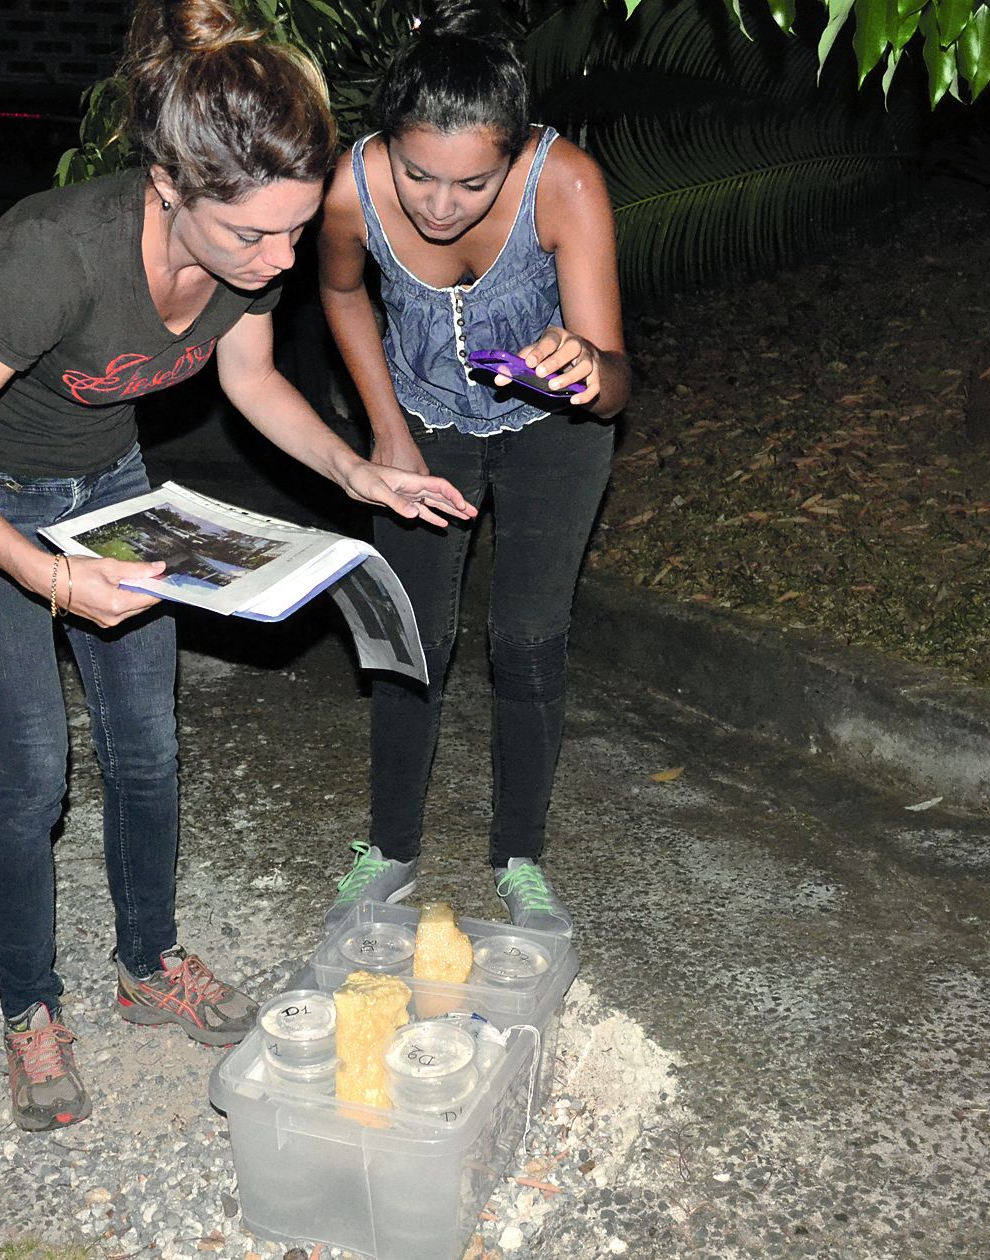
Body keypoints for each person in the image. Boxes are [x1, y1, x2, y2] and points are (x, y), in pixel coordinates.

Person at [0, 0, 474, 1133]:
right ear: (167, 188)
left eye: (295, 232)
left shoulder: (255, 245)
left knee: (147, 748)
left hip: (116, 495)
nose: (281, 259)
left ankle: (148, 961)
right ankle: (28, 1008)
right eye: (255, 235)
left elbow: (250, 381)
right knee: (31, 772)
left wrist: (359, 471)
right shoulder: (53, 255)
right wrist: (46, 579)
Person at [316, 0, 631, 936]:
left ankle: (521, 856)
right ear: (388, 144)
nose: (440, 204)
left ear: (513, 153)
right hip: (423, 422)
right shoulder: (354, 189)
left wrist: (587, 374)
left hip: (552, 434)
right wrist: (386, 429)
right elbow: (339, 295)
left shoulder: (563, 182)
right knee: (410, 635)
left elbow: (616, 386)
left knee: (528, 639)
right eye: (419, 173)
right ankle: (390, 847)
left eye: (472, 183)